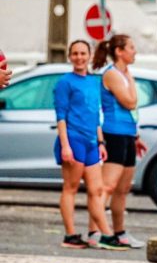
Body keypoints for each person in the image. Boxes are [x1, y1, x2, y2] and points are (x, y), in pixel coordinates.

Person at [54, 40, 126, 250]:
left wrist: (101, 142)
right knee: (71, 188)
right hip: (73, 140)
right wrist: (65, 146)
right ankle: (70, 235)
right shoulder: (65, 82)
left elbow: (95, 116)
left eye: (83, 53)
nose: (79, 57)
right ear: (70, 56)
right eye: (75, 53)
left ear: (89, 55)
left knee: (96, 190)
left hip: (92, 143)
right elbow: (61, 117)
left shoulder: (94, 81)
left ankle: (105, 234)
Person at [88, 35, 149, 248]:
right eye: (131, 47)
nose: (135, 52)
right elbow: (130, 102)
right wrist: (130, 80)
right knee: (107, 185)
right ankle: (95, 231)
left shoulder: (125, 73)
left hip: (127, 134)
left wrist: (136, 136)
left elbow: (133, 107)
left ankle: (119, 232)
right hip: (113, 133)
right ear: (119, 51)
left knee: (123, 188)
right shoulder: (113, 74)